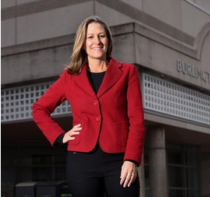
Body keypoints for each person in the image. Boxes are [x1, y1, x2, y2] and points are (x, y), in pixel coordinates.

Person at [32, 16, 145, 197]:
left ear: (108, 39)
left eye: (101, 36)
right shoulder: (70, 76)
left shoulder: (127, 72)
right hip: (81, 162)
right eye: (90, 37)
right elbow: (39, 109)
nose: (97, 41)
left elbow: (137, 120)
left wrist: (131, 159)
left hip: (120, 160)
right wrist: (60, 136)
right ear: (83, 43)